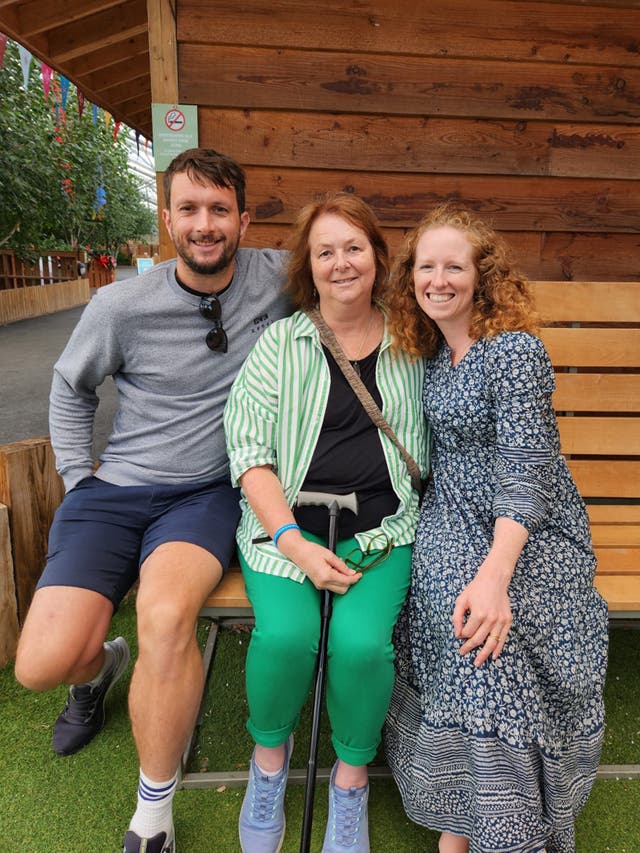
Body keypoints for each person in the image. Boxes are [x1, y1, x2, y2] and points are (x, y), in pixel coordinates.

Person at [14, 148, 291, 853]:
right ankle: (98, 668)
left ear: (244, 220)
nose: (205, 225)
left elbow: (355, 265)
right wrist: (80, 478)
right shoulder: (119, 304)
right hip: (112, 490)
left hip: (203, 495)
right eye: (189, 210)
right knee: (41, 663)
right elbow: (70, 387)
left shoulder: (277, 276)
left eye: (220, 210)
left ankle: (153, 813)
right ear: (168, 220)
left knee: (166, 617)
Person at [383, 204, 609, 853]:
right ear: (412, 277)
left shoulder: (514, 351)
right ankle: (475, 821)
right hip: (450, 512)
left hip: (529, 525)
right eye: (427, 266)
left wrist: (497, 572)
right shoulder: (425, 357)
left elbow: (529, 467)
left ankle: (493, 831)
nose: (439, 278)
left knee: (492, 628)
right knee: (470, 628)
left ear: (482, 275)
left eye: (454, 265)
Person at [224, 192, 428, 853]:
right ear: (308, 268)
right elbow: (249, 451)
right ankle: (269, 766)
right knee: (287, 635)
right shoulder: (281, 344)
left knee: (362, 646)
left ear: (377, 257)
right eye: (325, 252)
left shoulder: (411, 343)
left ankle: (348, 783)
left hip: (380, 531)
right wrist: (292, 541)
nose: (341, 263)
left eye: (353, 248)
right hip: (287, 530)